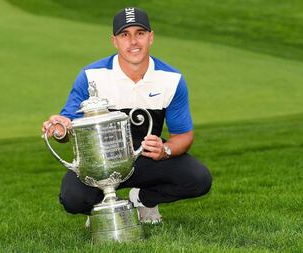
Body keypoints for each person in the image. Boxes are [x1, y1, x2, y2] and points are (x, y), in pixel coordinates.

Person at [41, 7, 211, 224]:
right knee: (73, 199)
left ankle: (142, 199)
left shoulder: (171, 79)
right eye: (125, 35)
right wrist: (58, 128)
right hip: (100, 159)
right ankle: (104, 207)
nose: (133, 41)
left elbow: (184, 136)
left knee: (198, 179)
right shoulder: (92, 76)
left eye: (139, 33)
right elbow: (66, 127)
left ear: (151, 37)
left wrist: (165, 150)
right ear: (115, 41)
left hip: (146, 157)